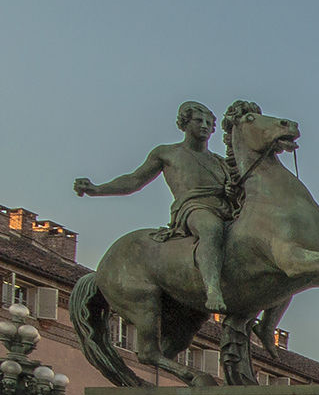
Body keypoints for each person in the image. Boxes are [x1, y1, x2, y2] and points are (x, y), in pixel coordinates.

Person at [74, 101, 234, 315]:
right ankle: (213, 289)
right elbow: (134, 180)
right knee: (211, 229)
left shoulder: (219, 162)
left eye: (208, 122)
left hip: (226, 209)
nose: (204, 126)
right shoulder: (167, 153)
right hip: (193, 208)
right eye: (198, 120)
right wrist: (97, 189)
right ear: (185, 124)